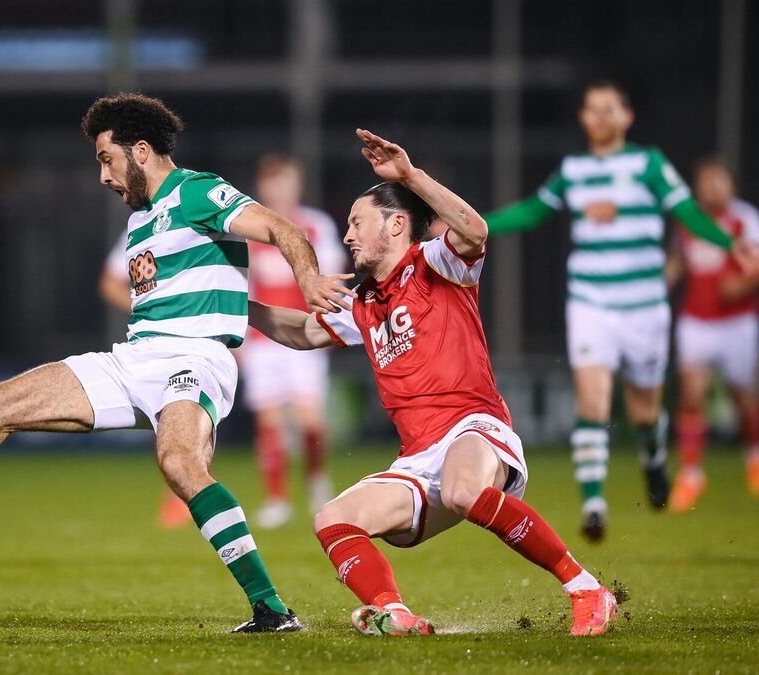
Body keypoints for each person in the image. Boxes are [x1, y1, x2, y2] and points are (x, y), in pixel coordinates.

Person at [0, 93, 355, 633]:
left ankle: (271, 609)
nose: (103, 176)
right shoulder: (139, 224)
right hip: (134, 358)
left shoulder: (198, 191)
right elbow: (226, 302)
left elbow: (282, 228)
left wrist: (309, 281)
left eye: (106, 159)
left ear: (141, 151)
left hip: (195, 358)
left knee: (180, 463)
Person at [249, 128, 618, 637]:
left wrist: (410, 176)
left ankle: (586, 589)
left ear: (397, 224)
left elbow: (475, 230)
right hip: (418, 460)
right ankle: (394, 613)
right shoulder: (364, 302)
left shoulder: (436, 262)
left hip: (474, 427)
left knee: (466, 489)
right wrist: (232, 305)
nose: (349, 236)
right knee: (332, 519)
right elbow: (300, 332)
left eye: (357, 223)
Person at [483, 81, 750, 542]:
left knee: (645, 410)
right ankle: (593, 505)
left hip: (644, 306)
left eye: (610, 109)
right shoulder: (573, 170)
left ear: (627, 116)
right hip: (591, 302)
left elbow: (687, 211)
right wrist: (474, 223)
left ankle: (653, 454)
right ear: (583, 118)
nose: (601, 117)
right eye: (593, 109)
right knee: (592, 401)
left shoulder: (649, 164)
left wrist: (730, 244)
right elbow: (532, 212)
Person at [240, 155, 347, 528]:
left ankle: (317, 481)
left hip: (304, 333)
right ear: (262, 186)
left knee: (310, 420)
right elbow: (243, 285)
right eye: (272, 182)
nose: (279, 190)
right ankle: (277, 499)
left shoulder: (315, 225)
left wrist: (332, 325)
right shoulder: (248, 227)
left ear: (297, 185)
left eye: (285, 181)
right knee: (269, 420)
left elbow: (330, 276)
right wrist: (240, 342)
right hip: (262, 339)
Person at [666, 157, 759, 511]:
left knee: (743, 396)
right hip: (697, 320)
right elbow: (676, 261)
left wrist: (743, 283)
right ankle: (691, 474)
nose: (712, 187)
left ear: (731, 185)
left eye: (718, 180)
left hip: (737, 321)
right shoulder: (688, 221)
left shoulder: (745, 219)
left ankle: (753, 457)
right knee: (692, 395)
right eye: (705, 181)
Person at [98, 229, 194, 529]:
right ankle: (181, 494)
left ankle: (185, 495)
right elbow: (109, 284)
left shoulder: (200, 218)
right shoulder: (141, 228)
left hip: (200, 340)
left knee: (194, 416)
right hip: (153, 344)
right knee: (172, 418)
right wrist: (153, 311)